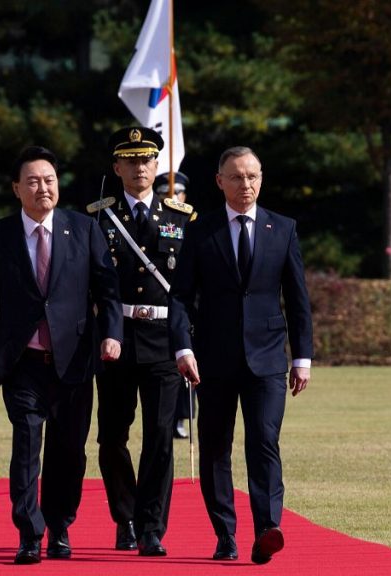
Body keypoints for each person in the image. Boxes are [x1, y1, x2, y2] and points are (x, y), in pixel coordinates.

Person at [0, 145, 123, 565]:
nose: (42, 188)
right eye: (32, 182)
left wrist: (112, 334)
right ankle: (29, 533)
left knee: (69, 452)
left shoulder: (84, 229)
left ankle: (59, 526)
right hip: (22, 364)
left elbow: (107, 289)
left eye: (49, 180)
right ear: (17, 188)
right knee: (26, 445)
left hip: (73, 362)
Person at [169, 146, 313, 565]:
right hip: (212, 359)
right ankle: (225, 534)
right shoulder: (200, 231)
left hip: (268, 359)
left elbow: (298, 299)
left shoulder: (282, 229)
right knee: (215, 447)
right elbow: (179, 298)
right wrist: (183, 347)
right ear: (220, 182)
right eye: (236, 177)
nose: (245, 184)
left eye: (252, 176)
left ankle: (267, 528)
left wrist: (301, 357)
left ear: (261, 178)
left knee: (264, 441)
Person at [88, 127, 194, 557]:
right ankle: (124, 518)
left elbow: (188, 288)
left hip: (164, 339)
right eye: (130, 161)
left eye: (146, 160)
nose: (139, 168)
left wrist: (187, 341)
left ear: (157, 166)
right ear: (117, 168)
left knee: (160, 435)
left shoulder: (180, 217)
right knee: (112, 435)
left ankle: (152, 526)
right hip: (115, 339)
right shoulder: (98, 217)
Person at [155, 171, 196, 440]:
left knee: (187, 370)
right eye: (166, 192)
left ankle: (184, 416)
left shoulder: (191, 222)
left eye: (178, 192)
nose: (172, 196)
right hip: (157, 307)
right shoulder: (151, 221)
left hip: (183, 309)